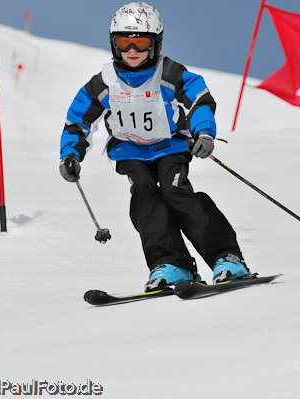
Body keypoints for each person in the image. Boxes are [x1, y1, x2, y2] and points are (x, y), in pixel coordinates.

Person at [59, 2, 250, 291]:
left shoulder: (169, 74)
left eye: (141, 43)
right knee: (144, 194)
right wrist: (70, 154)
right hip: (129, 150)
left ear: (156, 43)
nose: (132, 51)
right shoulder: (104, 83)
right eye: (124, 43)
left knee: (175, 192)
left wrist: (204, 134)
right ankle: (173, 264)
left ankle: (226, 257)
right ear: (114, 44)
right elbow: (77, 123)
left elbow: (199, 99)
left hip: (170, 146)